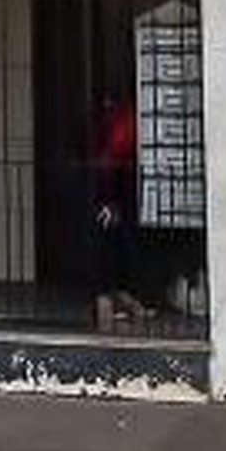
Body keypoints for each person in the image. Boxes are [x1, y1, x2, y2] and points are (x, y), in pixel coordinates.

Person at [89, 91, 141, 329]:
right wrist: (109, 201)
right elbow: (109, 161)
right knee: (110, 243)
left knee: (113, 243)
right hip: (111, 194)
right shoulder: (120, 124)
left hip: (112, 192)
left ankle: (112, 296)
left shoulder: (114, 124)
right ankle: (107, 297)